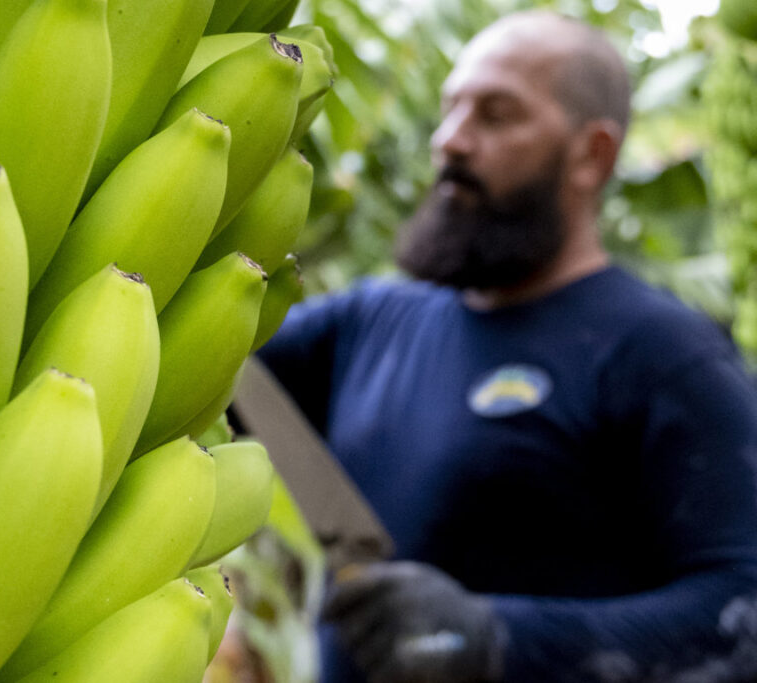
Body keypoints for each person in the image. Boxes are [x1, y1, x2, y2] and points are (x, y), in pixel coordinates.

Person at [255, 9, 757, 683]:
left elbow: (742, 605)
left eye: (495, 114)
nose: (451, 141)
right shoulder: (369, 320)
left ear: (592, 153)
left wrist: (499, 637)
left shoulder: (664, 353)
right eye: (450, 109)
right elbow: (216, 371)